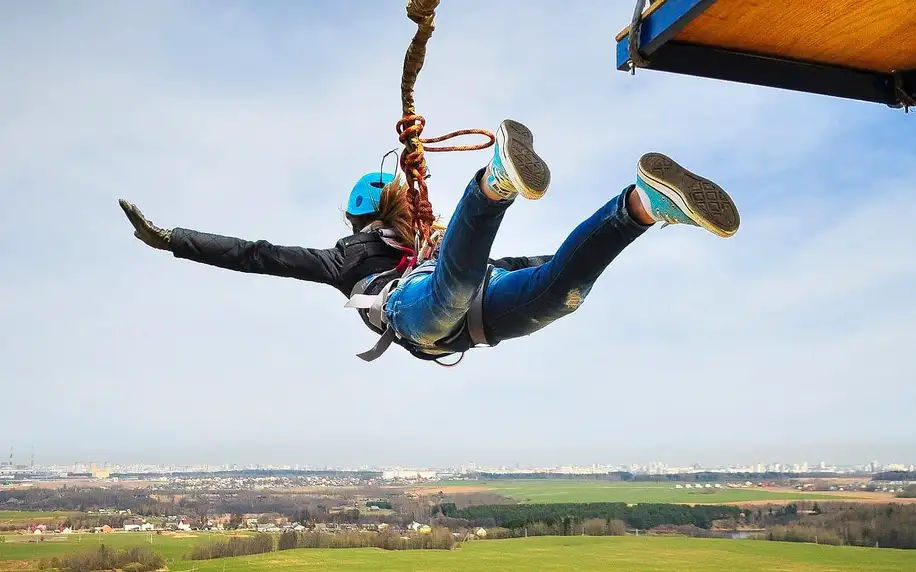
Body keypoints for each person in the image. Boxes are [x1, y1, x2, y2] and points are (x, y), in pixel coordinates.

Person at [119, 119, 739, 364]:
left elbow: (501, 263)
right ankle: (501, 185)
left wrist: (566, 260)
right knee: (465, 280)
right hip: (433, 312)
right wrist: (172, 238)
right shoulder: (349, 260)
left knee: (563, 294)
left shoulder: (430, 246)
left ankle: (640, 205)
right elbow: (253, 255)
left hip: (449, 307)